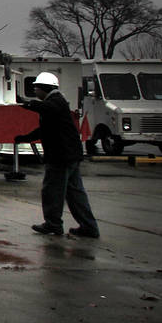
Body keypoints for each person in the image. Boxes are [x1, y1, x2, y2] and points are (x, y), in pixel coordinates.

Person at [15, 71, 99, 238]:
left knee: (52, 191)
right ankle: (89, 227)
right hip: (70, 156)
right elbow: (44, 130)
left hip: (60, 157)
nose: (34, 92)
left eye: (36, 88)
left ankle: (53, 224)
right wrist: (25, 138)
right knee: (75, 194)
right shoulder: (56, 103)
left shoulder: (55, 102)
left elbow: (45, 108)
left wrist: (23, 103)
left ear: (43, 88)